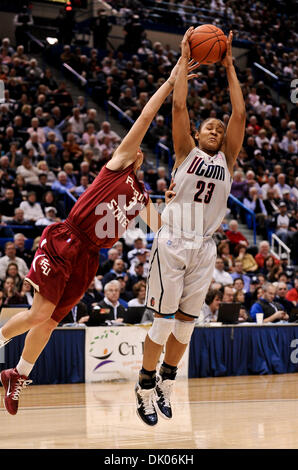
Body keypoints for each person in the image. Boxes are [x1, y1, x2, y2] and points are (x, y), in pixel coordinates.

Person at [0, 59, 194, 416]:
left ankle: (17, 374)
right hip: (66, 239)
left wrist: (177, 203)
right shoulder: (117, 164)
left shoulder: (143, 197)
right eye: (134, 146)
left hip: (89, 258)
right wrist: (169, 84)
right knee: (38, 312)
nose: (137, 148)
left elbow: (165, 227)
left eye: (140, 152)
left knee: (50, 320)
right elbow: (147, 118)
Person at [136, 28, 245, 426]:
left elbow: (239, 114)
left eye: (220, 129)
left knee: (185, 327)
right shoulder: (186, 151)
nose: (217, 131)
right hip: (173, 241)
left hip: (204, 245)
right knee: (163, 322)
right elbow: (179, 106)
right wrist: (183, 58)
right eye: (210, 128)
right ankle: (144, 386)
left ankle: (166, 379)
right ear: (198, 134)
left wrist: (230, 65)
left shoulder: (228, 160)